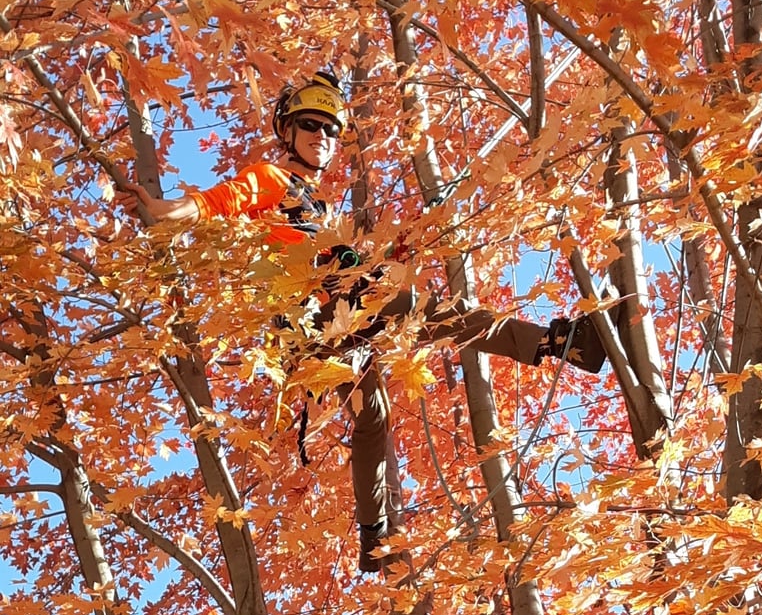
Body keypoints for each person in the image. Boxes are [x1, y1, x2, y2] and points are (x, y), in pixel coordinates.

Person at [124, 70, 607, 573]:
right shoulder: (271, 180)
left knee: (374, 416)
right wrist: (162, 211)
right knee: (428, 312)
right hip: (319, 318)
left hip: (337, 324)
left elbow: (338, 260)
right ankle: (558, 342)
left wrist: (383, 254)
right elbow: (219, 202)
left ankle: (375, 530)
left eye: (331, 129)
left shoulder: (321, 209)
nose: (322, 137)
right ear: (286, 130)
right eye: (311, 124)